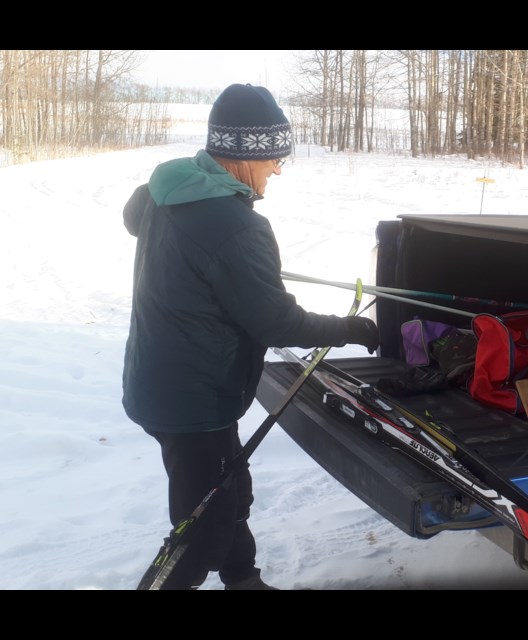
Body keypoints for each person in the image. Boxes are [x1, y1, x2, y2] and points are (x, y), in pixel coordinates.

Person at [122, 83, 379, 590]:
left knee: (229, 490)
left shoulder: (162, 190)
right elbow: (279, 323)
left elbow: (136, 220)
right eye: (275, 158)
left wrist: (231, 270)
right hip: (194, 400)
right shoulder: (237, 227)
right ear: (244, 154)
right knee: (204, 525)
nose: (278, 170)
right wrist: (353, 329)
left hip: (160, 384)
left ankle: (243, 579)